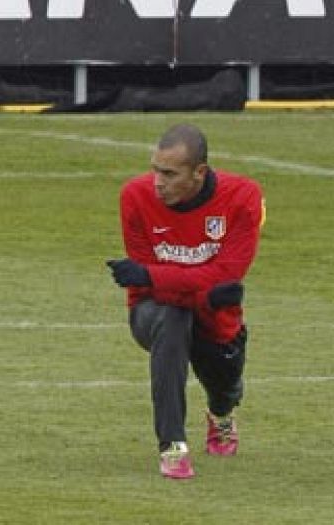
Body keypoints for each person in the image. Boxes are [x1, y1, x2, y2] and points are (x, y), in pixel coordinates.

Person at [107, 123, 262, 480]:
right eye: (154, 170)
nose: (157, 182)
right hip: (153, 309)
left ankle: (221, 413)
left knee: (225, 383)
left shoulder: (243, 197)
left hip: (215, 313)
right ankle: (172, 445)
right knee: (172, 319)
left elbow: (227, 275)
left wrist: (153, 275)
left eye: (169, 173)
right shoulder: (135, 196)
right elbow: (149, 288)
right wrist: (197, 287)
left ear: (199, 173)